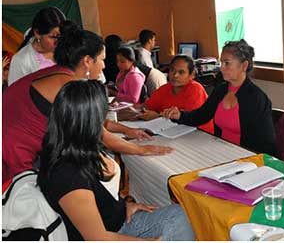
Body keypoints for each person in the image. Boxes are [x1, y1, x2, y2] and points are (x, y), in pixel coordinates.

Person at [2, 23, 172, 182]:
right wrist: (143, 150)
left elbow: (95, 122)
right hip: (14, 152)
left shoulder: (61, 72)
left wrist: (129, 131)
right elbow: (101, 135)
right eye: (102, 59)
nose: (104, 66)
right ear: (87, 61)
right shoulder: (69, 86)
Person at [37, 80, 195, 241]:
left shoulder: (73, 146)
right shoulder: (67, 176)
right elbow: (98, 238)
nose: (104, 122)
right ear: (89, 122)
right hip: (108, 234)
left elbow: (98, 196)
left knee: (181, 215)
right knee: (179, 221)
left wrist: (124, 205)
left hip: (117, 220)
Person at [162, 40, 276, 155]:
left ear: (244, 65)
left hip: (245, 157)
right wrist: (180, 115)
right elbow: (202, 115)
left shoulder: (257, 99)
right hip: (220, 151)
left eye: (227, 63)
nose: (221, 68)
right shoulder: (221, 90)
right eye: (221, 63)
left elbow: (266, 144)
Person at [138, 54, 213, 134]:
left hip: (199, 134)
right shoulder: (165, 88)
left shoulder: (195, 90)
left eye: (181, 72)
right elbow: (147, 107)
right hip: (170, 131)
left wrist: (157, 116)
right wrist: (140, 111)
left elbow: (190, 121)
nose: (175, 75)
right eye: (172, 70)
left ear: (192, 75)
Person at [8, 7, 66, 85]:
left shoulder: (68, 49)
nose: (58, 41)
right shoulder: (21, 61)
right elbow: (14, 94)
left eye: (61, 36)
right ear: (37, 33)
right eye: (53, 37)